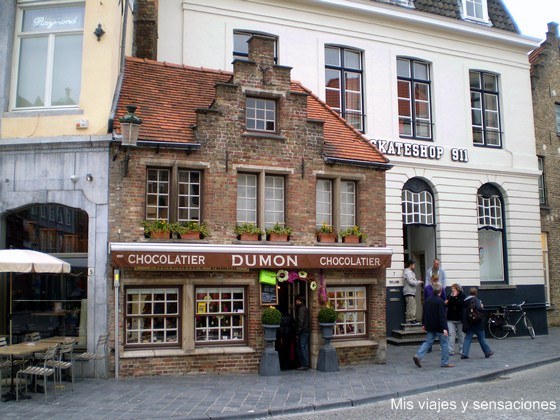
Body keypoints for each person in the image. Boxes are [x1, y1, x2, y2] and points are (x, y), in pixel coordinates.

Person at [412, 282, 454, 368]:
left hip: (430, 326)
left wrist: (424, 324)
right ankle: (444, 362)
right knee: (444, 344)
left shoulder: (427, 300)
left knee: (428, 342)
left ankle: (418, 355)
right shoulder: (440, 302)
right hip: (439, 327)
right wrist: (445, 328)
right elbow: (442, 316)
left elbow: (424, 314)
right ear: (441, 291)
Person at [461, 287, 493, 359]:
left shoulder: (465, 301)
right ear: (476, 293)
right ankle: (487, 352)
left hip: (469, 322)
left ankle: (464, 354)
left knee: (468, 338)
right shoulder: (477, 300)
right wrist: (482, 307)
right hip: (477, 322)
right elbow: (480, 310)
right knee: (481, 338)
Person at [445, 283, 465, 356]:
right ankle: (451, 350)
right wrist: (452, 297)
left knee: (461, 335)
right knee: (451, 334)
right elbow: (447, 304)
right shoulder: (449, 296)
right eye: (452, 288)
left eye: (454, 288)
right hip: (450, 318)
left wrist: (455, 297)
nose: (453, 290)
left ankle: (462, 349)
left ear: (458, 289)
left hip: (459, 318)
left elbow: (459, 303)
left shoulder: (462, 296)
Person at [403, 259, 423, 324]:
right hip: (409, 291)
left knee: (413, 306)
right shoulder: (407, 272)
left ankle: (413, 318)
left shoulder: (411, 272)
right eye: (413, 264)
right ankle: (409, 319)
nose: (414, 266)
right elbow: (410, 282)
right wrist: (418, 282)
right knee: (410, 306)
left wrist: (416, 282)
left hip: (412, 291)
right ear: (411, 265)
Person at [294, 294, 310, 370]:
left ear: (298, 300)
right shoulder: (304, 308)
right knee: (304, 347)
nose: (295, 302)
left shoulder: (301, 309)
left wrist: (297, 333)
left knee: (302, 347)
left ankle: (305, 364)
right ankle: (305, 364)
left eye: (296, 300)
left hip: (303, 331)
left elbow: (300, 322)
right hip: (305, 330)